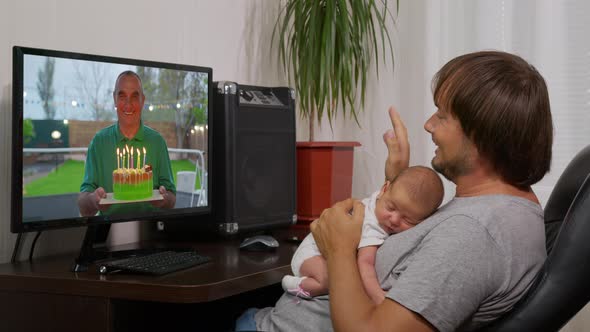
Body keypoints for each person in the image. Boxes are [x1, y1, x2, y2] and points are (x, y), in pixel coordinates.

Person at [236, 50, 553, 332]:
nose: (429, 125)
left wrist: (340, 248)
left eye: (442, 115)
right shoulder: (502, 209)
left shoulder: (473, 234)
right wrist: (397, 178)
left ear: (482, 138)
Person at [282, 166, 443, 304]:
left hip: (318, 250)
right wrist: (377, 295)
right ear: (384, 189)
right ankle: (294, 285)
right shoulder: (373, 226)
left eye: (408, 220)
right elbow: (365, 264)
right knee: (328, 280)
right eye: (391, 208)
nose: (394, 220)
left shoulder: (381, 199)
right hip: (310, 255)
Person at [78, 71, 176, 217]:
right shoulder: (99, 142)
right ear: (114, 99)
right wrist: (93, 200)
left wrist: (163, 199)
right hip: (108, 231)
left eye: (135, 97)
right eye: (122, 96)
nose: (128, 104)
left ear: (143, 100)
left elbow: (171, 199)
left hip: (150, 229)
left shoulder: (157, 142)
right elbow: (83, 205)